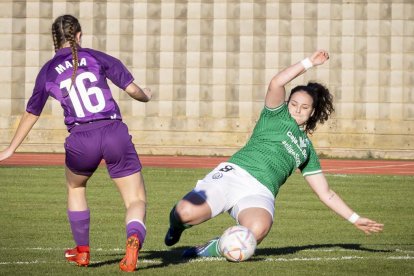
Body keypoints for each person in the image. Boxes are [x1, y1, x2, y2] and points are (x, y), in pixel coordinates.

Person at [164, 50, 384, 259]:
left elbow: (326, 193)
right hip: (234, 175)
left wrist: (355, 218)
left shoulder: (306, 148)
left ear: (313, 112)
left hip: (260, 192)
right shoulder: (275, 115)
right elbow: (277, 82)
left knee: (257, 230)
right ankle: (176, 226)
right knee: (185, 213)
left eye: (305, 107)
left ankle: (210, 248)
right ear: (287, 103)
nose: (297, 109)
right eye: (294, 104)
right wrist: (309, 62)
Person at [0, 15, 151, 272]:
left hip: (81, 138)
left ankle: (82, 252)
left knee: (76, 187)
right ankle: (134, 237)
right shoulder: (97, 57)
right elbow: (132, 89)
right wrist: (146, 97)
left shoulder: (48, 70)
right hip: (113, 131)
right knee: (135, 199)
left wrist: (11, 148)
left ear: (54, 39)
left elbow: (32, 112)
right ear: (78, 35)